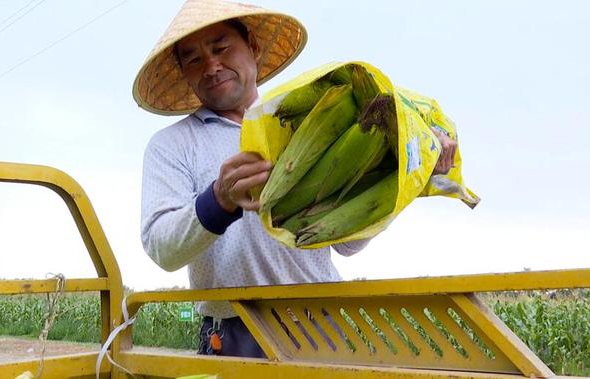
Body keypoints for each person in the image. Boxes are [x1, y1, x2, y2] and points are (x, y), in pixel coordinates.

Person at [133, 0, 456, 358]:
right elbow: (162, 247)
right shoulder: (173, 145)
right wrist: (218, 200)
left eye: (222, 48)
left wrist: (407, 173)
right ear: (184, 73)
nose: (211, 65)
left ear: (253, 48)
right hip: (235, 333)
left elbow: (347, 244)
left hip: (324, 324)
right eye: (193, 59)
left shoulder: (305, 121)